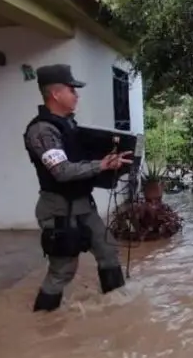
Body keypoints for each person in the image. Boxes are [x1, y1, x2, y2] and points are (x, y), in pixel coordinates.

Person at [24, 64, 132, 312]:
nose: (77, 95)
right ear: (55, 94)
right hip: (59, 210)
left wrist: (110, 164)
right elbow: (61, 171)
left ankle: (118, 308)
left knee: (108, 251)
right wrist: (100, 165)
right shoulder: (42, 130)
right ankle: (43, 323)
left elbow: (81, 160)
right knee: (63, 270)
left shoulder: (69, 125)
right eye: (72, 90)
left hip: (83, 204)